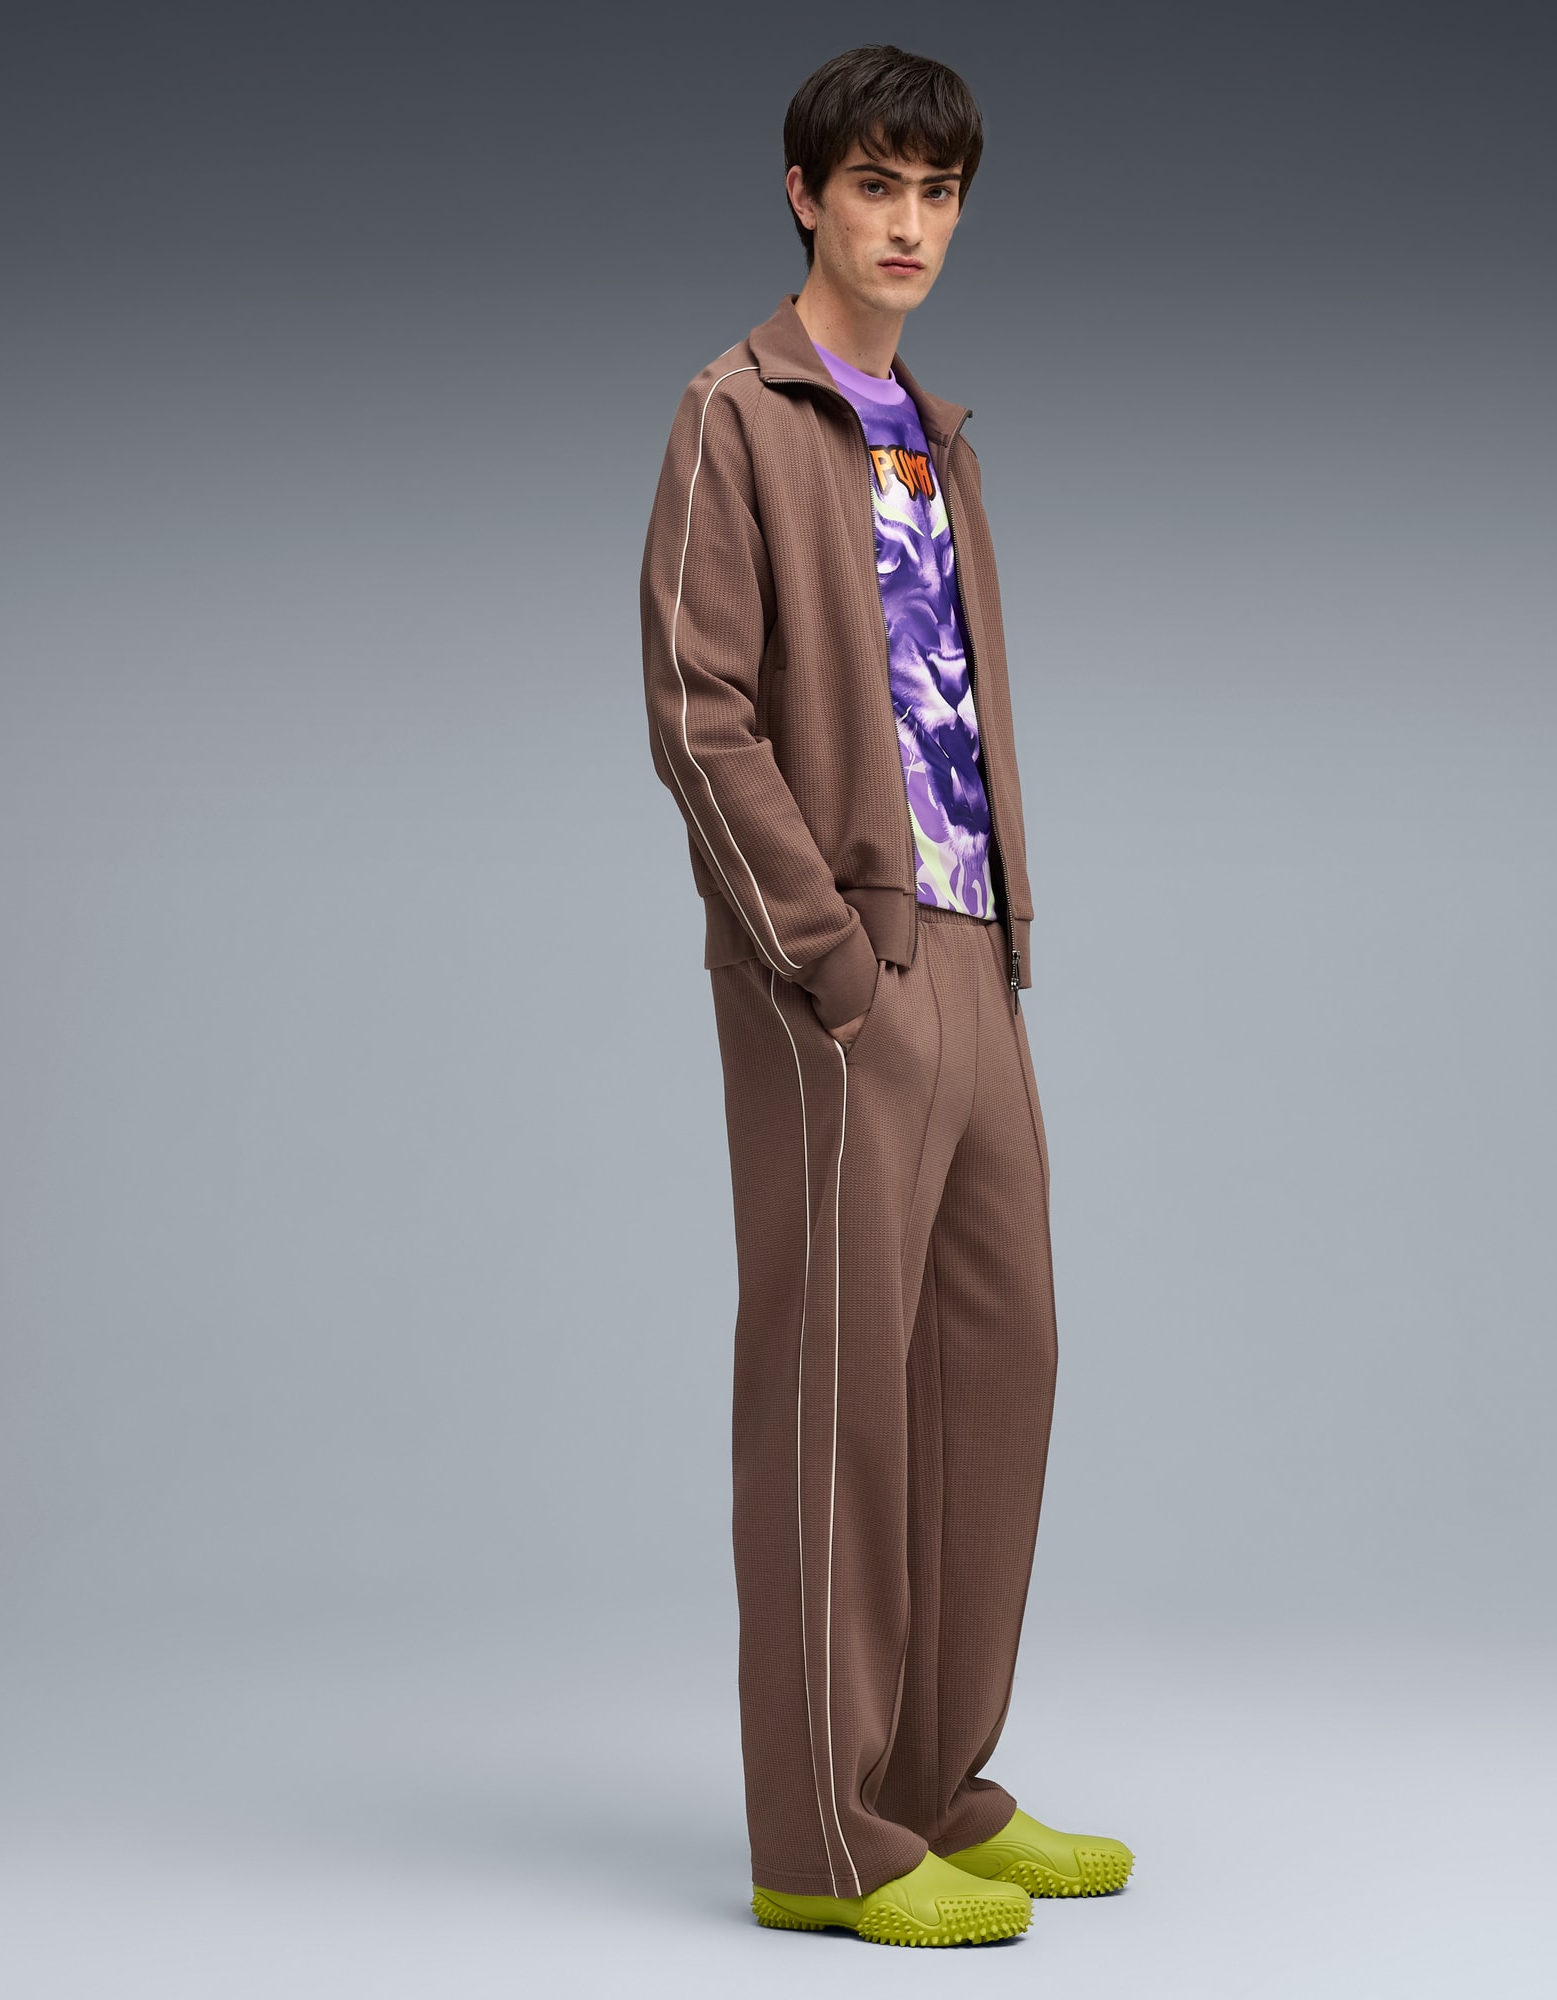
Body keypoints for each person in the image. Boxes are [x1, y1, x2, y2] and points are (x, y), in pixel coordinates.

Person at [639, 45, 1132, 1948]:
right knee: (835, 1395)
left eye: (936, 193)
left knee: (999, 1364)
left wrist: (997, 937)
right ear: (804, 196)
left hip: (976, 954)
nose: (909, 223)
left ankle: (934, 1787)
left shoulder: (934, 432)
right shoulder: (735, 414)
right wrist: (822, 955)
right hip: (840, 970)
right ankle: (823, 1839)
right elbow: (700, 715)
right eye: (874, 186)